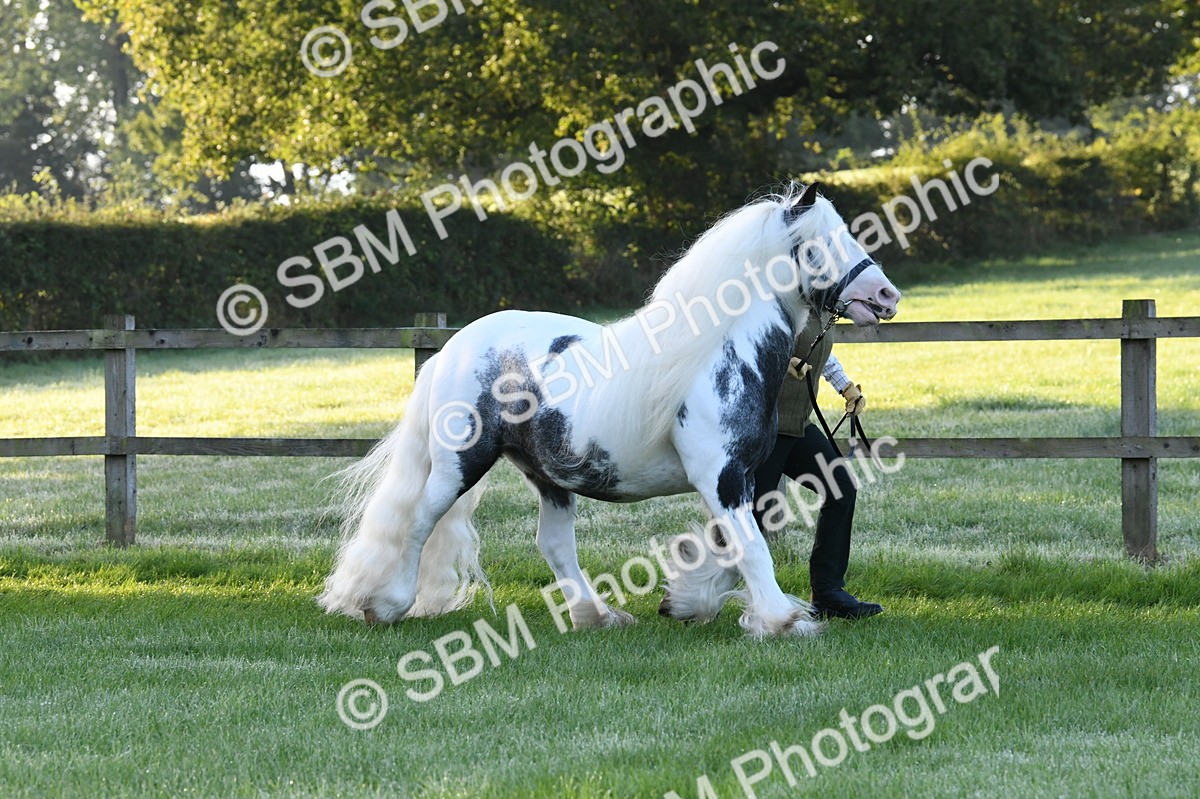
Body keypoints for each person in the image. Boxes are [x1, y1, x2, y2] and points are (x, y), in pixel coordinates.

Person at [752, 308, 883, 620]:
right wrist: (781, 364)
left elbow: (819, 351)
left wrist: (845, 386)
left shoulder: (821, 311)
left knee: (841, 489)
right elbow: (749, 346)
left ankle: (828, 592)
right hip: (765, 427)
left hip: (797, 426)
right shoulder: (776, 302)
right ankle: (695, 594)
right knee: (750, 517)